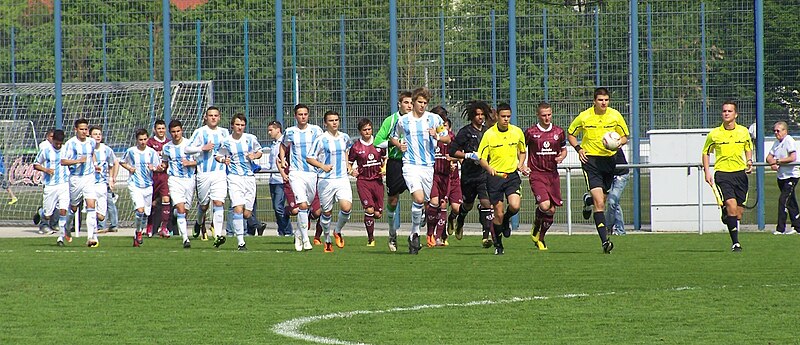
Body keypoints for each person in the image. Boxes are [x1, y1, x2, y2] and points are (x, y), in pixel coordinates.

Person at [567, 87, 629, 254]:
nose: (604, 103)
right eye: (601, 100)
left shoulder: (615, 115)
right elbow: (571, 133)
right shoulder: (584, 116)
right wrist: (579, 149)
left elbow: (625, 136)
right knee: (600, 203)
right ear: (594, 101)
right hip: (591, 161)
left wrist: (618, 142)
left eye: (606, 100)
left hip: (609, 161)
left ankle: (588, 201)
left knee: (602, 198)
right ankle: (604, 241)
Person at [389, 87, 450, 254]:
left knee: (424, 203)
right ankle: (415, 234)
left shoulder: (434, 119)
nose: (422, 105)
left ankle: (413, 233)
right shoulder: (403, 121)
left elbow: (447, 137)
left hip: (428, 166)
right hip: (409, 165)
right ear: (413, 102)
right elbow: (393, 136)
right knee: (418, 197)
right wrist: (399, 144)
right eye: (420, 102)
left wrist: (437, 136)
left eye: (425, 103)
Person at [702, 101, 753, 252]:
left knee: (737, 214)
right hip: (723, 174)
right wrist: (707, 172)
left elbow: (748, 147)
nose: (726, 113)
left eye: (729, 111)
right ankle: (736, 243)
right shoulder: (715, 134)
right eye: (724, 111)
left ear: (735, 114)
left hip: (740, 174)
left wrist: (749, 161)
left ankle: (727, 215)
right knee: (731, 205)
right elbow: (706, 152)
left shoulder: (743, 132)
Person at [477, 102, 527, 255]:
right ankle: (498, 244)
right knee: (498, 213)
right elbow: (482, 157)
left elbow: (522, 150)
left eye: (508, 116)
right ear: (497, 116)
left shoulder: (517, 132)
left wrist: (521, 164)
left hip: (511, 175)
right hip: (496, 177)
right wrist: (488, 167)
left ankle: (506, 221)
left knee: (515, 206)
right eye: (503, 116)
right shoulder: (489, 135)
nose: (506, 119)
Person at [449, 100, 495, 248]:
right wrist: (469, 156)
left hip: (483, 175)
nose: (480, 117)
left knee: (486, 203)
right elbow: (452, 151)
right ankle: (458, 220)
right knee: (467, 205)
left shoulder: (488, 132)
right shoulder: (465, 132)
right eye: (477, 115)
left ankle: (485, 236)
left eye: (482, 114)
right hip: (469, 175)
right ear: (472, 116)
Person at [306, 111, 353, 253]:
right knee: (326, 213)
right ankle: (326, 239)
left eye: (336, 120)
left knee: (346, 207)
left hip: (342, 178)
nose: (334, 123)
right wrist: (322, 166)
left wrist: (348, 165)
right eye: (331, 120)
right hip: (325, 180)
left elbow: (346, 151)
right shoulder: (321, 139)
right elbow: (309, 158)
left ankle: (337, 231)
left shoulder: (344, 137)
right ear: (325, 123)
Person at [374, 91, 414, 252]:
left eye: (411, 103)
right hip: (396, 164)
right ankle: (392, 233)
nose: (409, 106)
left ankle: (415, 234)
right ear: (399, 104)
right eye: (406, 102)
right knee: (393, 201)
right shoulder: (391, 121)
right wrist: (396, 144)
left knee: (422, 198)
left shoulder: (420, 120)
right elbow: (378, 142)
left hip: (414, 163)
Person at [216, 113, 262, 251]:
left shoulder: (250, 138)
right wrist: (224, 160)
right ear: (232, 126)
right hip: (234, 178)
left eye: (242, 125)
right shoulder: (226, 141)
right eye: (237, 124)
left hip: (249, 178)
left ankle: (243, 233)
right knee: (237, 208)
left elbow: (259, 151)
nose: (240, 127)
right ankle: (241, 242)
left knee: (247, 213)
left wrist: (254, 155)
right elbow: (217, 155)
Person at [280, 103, 323, 252]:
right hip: (296, 173)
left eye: (305, 114)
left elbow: (322, 146)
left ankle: (298, 234)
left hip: (312, 173)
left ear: (308, 115)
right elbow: (283, 145)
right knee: (302, 206)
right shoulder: (290, 131)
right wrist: (283, 158)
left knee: (308, 206)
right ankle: (306, 239)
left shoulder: (316, 130)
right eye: (300, 114)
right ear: (295, 116)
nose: (303, 117)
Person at [525, 102, 567, 251]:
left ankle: (540, 237)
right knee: (544, 205)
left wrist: (561, 157)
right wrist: (522, 164)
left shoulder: (559, 132)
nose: (547, 117)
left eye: (549, 114)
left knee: (551, 211)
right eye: (544, 115)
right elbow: (521, 149)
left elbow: (564, 150)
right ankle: (537, 224)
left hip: (552, 175)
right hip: (537, 174)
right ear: (538, 115)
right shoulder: (531, 132)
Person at [186, 106, 230, 247]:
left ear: (219, 117)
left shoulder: (224, 132)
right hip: (204, 173)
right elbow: (187, 149)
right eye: (210, 115)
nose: (213, 118)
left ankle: (217, 235)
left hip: (220, 173)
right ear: (206, 117)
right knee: (204, 205)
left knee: (218, 203)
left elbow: (228, 148)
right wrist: (201, 148)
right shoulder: (200, 132)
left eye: (215, 115)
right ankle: (199, 223)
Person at [120, 129, 163, 247]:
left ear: (147, 139)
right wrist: (129, 168)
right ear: (136, 140)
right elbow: (122, 162)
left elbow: (159, 167)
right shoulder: (131, 151)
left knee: (145, 213)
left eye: (145, 139)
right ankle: (139, 233)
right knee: (140, 210)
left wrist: (153, 168)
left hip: (148, 185)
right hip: (135, 184)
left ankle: (137, 232)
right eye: (140, 140)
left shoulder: (152, 152)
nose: (143, 142)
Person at [61, 118, 100, 247]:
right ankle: (67, 227)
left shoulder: (91, 142)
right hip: (75, 178)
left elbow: (92, 154)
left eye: (86, 129)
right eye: (81, 129)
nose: (84, 132)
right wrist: (77, 161)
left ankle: (90, 237)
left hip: (89, 177)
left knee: (91, 205)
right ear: (76, 130)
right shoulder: (70, 144)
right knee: (73, 207)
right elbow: (63, 161)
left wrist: (95, 164)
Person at [348, 118, 385, 247]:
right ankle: (371, 238)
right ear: (360, 131)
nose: (367, 132)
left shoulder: (379, 143)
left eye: (369, 129)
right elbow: (349, 162)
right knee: (369, 209)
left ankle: (372, 218)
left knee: (377, 214)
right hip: (363, 181)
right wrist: (351, 171)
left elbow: (386, 158)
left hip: (377, 181)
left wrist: (385, 168)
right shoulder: (356, 147)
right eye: (364, 130)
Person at [161, 120, 197, 248]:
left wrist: (190, 163)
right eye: (173, 132)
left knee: (184, 211)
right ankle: (185, 239)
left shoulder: (190, 145)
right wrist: (160, 167)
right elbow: (164, 163)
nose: (176, 134)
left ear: (182, 131)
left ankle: (175, 214)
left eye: (178, 131)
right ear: (170, 133)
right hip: (175, 180)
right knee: (181, 209)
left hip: (189, 180)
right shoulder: (167, 147)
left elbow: (199, 161)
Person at [428, 106, 459, 247]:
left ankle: (438, 236)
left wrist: (453, 160)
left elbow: (457, 153)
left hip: (446, 175)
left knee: (442, 204)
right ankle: (430, 235)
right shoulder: (425, 133)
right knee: (435, 202)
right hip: (431, 174)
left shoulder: (449, 137)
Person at [33, 129, 70, 245]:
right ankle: (41, 212)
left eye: (60, 143)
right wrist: (46, 170)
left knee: (63, 210)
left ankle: (61, 237)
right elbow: (36, 164)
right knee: (48, 215)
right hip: (50, 185)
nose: (58, 145)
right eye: (56, 143)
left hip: (64, 184)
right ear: (52, 140)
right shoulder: (46, 150)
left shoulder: (66, 150)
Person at [766, 121, 799, 235]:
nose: (776, 133)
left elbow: (792, 157)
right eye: (774, 131)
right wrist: (772, 163)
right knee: (791, 202)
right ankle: (798, 227)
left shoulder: (789, 140)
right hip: (781, 176)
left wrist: (778, 161)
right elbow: (769, 157)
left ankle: (780, 228)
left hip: (791, 176)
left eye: (778, 131)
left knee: (783, 200)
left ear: (785, 131)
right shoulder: (776, 143)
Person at [89, 126, 118, 234]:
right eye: (95, 134)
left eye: (99, 134)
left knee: (107, 205)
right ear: (90, 136)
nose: (97, 136)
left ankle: (107, 225)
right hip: (88, 182)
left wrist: (111, 179)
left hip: (102, 182)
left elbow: (113, 164)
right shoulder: (86, 148)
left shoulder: (106, 149)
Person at [266, 121, 293, 236]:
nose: (269, 132)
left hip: (281, 179)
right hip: (273, 179)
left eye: (271, 130)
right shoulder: (273, 144)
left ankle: (287, 231)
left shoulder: (284, 143)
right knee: (276, 208)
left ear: (278, 130)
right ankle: (282, 231)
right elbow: (271, 163)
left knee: (279, 207)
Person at [146, 119, 172, 238]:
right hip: (153, 176)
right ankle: (149, 225)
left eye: (163, 128)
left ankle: (164, 228)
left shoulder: (169, 143)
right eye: (159, 128)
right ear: (154, 130)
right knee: (152, 204)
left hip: (164, 176)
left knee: (166, 199)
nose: (161, 131)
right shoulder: (150, 143)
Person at [604, 149, 630, 236]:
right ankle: (618, 230)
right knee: (614, 203)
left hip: (621, 175)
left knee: (613, 201)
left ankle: (610, 227)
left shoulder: (613, 139)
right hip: (608, 175)